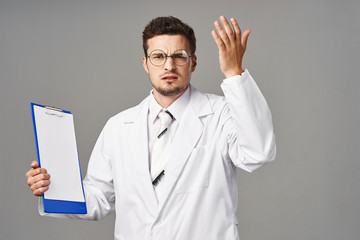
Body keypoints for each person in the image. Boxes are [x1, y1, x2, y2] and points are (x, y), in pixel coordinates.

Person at [26, 16, 276, 240]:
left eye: (179, 55)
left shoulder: (221, 114)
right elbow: (98, 199)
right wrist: (52, 187)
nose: (169, 66)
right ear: (146, 63)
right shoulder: (118, 127)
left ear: (194, 62)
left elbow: (258, 153)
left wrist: (234, 73)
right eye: (158, 56)